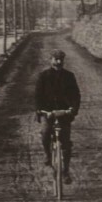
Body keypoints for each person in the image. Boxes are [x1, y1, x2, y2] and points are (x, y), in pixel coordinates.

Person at [34, 49, 81, 183]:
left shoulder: (69, 76)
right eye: (55, 59)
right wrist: (39, 110)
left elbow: (76, 95)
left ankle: (65, 172)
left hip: (64, 113)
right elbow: (37, 95)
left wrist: (73, 109)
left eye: (61, 59)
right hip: (47, 112)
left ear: (63, 60)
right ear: (51, 60)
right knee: (45, 132)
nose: (58, 62)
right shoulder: (43, 76)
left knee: (66, 143)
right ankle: (48, 155)